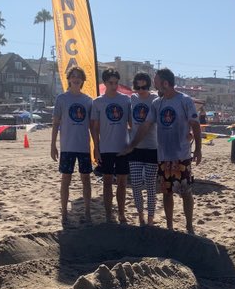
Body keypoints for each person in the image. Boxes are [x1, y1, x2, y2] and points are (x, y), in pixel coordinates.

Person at [121, 67, 202, 234]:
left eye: (156, 83)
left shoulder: (185, 100)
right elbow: (145, 126)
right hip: (163, 155)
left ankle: (189, 226)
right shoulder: (157, 103)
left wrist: (199, 149)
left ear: (165, 83)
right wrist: (132, 145)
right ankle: (170, 226)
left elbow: (195, 124)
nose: (155, 86)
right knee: (167, 192)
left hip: (182, 155)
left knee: (185, 192)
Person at [50, 66, 99, 227]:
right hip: (67, 147)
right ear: (69, 79)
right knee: (66, 179)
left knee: (86, 179)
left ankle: (87, 212)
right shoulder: (62, 99)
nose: (76, 79)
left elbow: (92, 126)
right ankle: (64, 213)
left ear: (83, 80)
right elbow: (56, 123)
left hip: (83, 147)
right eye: (73, 76)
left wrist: (95, 146)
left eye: (79, 76)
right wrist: (53, 145)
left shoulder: (88, 100)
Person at [92, 68, 132, 223]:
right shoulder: (98, 102)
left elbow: (131, 123)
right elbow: (95, 128)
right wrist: (96, 148)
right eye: (111, 83)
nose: (114, 86)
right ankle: (109, 214)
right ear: (105, 83)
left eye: (116, 83)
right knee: (107, 182)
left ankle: (121, 213)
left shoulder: (126, 100)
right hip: (106, 148)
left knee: (122, 183)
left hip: (123, 148)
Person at [127, 72, 158, 226]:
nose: (141, 90)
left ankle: (151, 219)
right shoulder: (132, 99)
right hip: (135, 147)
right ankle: (140, 216)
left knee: (151, 185)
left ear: (148, 85)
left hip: (152, 146)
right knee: (136, 184)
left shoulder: (155, 99)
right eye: (138, 87)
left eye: (144, 86)